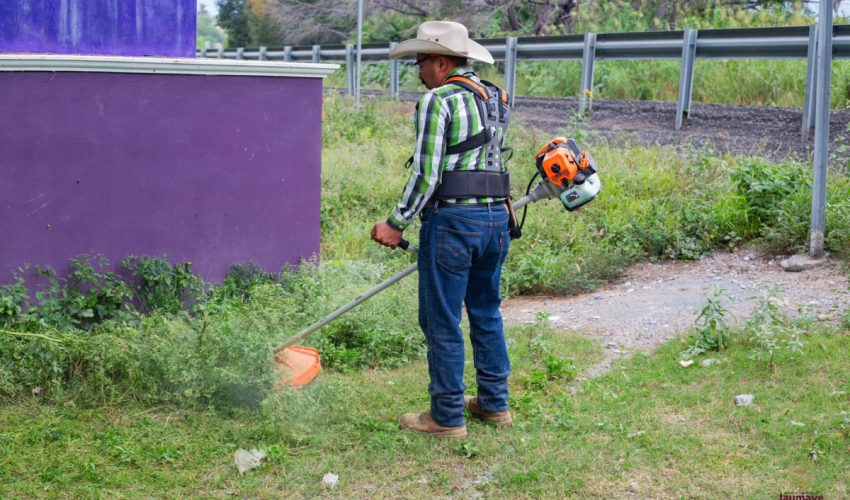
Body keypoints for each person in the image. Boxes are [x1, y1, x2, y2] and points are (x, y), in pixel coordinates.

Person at [371, 20, 514, 439]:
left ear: (439, 60)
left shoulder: (438, 101)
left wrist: (395, 224)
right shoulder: (496, 96)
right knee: (486, 311)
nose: (417, 71)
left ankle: (447, 416)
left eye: (420, 62)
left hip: (453, 223)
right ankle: (493, 405)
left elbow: (427, 174)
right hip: (496, 220)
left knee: (442, 320)